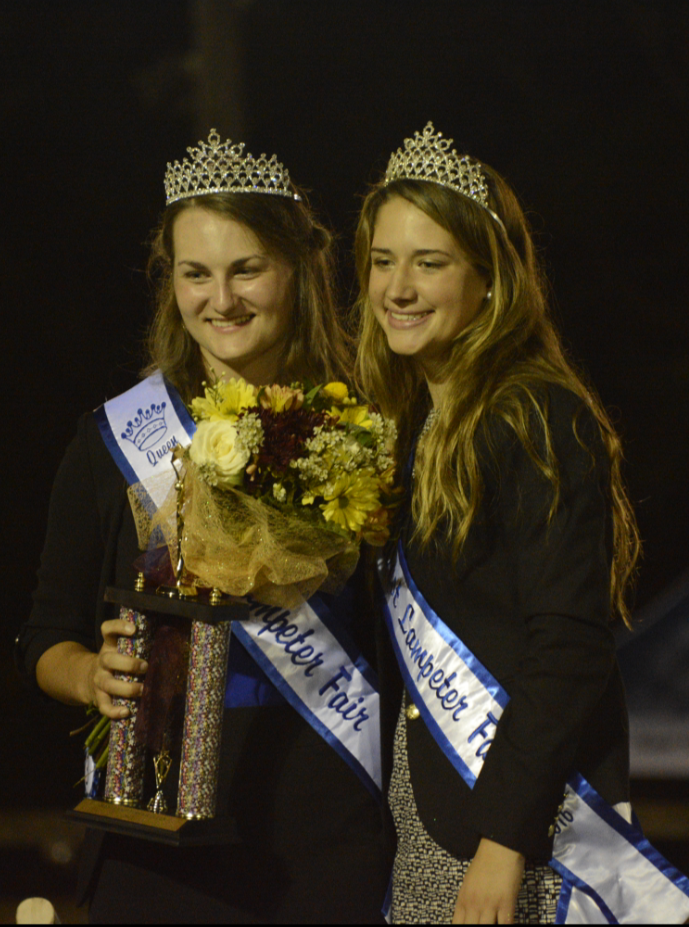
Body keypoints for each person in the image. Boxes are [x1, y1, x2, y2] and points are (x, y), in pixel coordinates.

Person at [16, 130, 388, 924]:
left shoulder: (365, 431)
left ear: (296, 268)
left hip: (326, 835)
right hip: (155, 836)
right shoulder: (113, 438)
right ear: (171, 283)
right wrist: (89, 675)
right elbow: (45, 634)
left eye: (246, 268)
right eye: (196, 274)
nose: (221, 300)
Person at [354, 123, 641, 924]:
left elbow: (570, 646)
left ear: (489, 277)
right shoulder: (405, 422)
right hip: (432, 823)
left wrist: (503, 844)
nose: (397, 289)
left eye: (430, 262)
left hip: (525, 836)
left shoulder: (538, 418)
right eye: (383, 261)